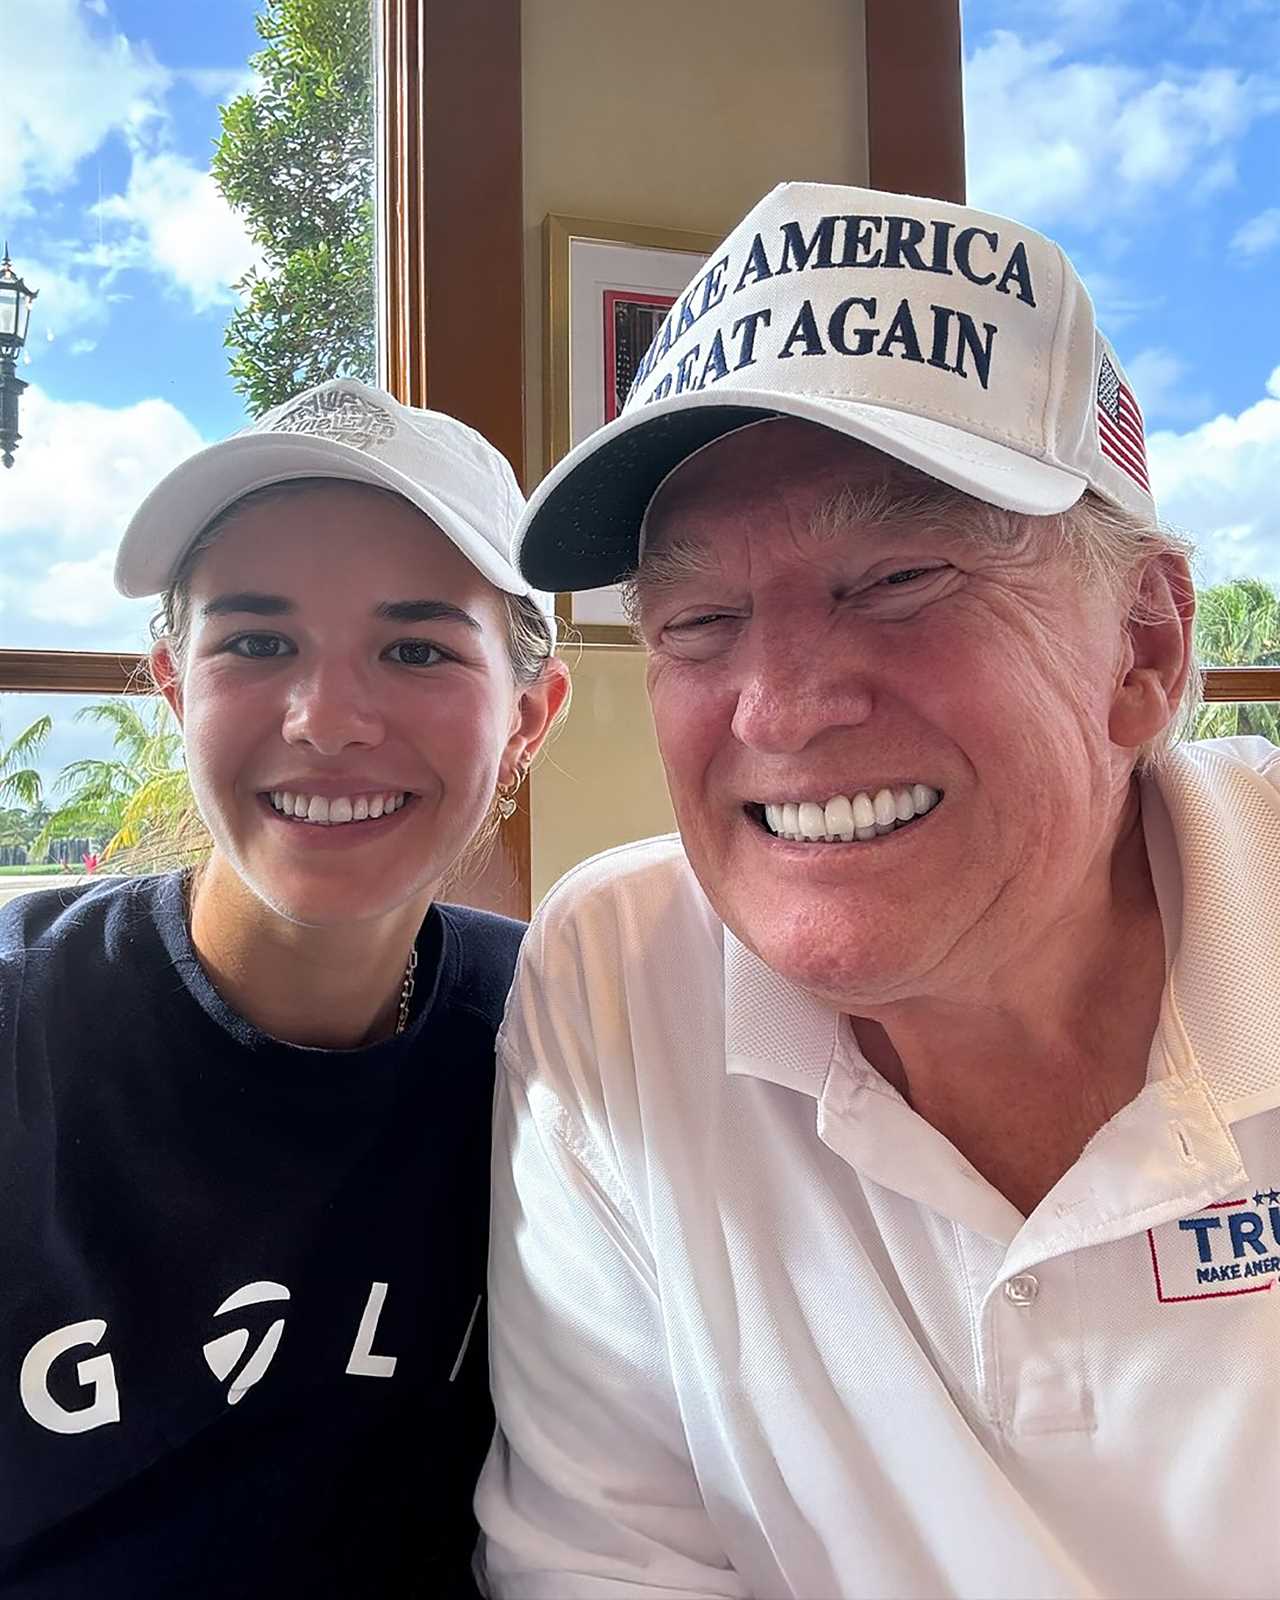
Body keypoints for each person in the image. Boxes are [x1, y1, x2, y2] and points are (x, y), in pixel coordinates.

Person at [476, 183, 1280, 1599]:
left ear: (1144, 645)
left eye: (899, 578)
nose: (778, 709)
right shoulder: (616, 974)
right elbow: (612, 1571)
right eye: (699, 622)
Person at [0, 378, 569, 1598]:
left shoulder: (567, 1036)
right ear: (171, 683)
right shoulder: (21, 1031)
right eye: (257, 643)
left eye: (415, 648)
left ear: (528, 716)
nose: (325, 720)